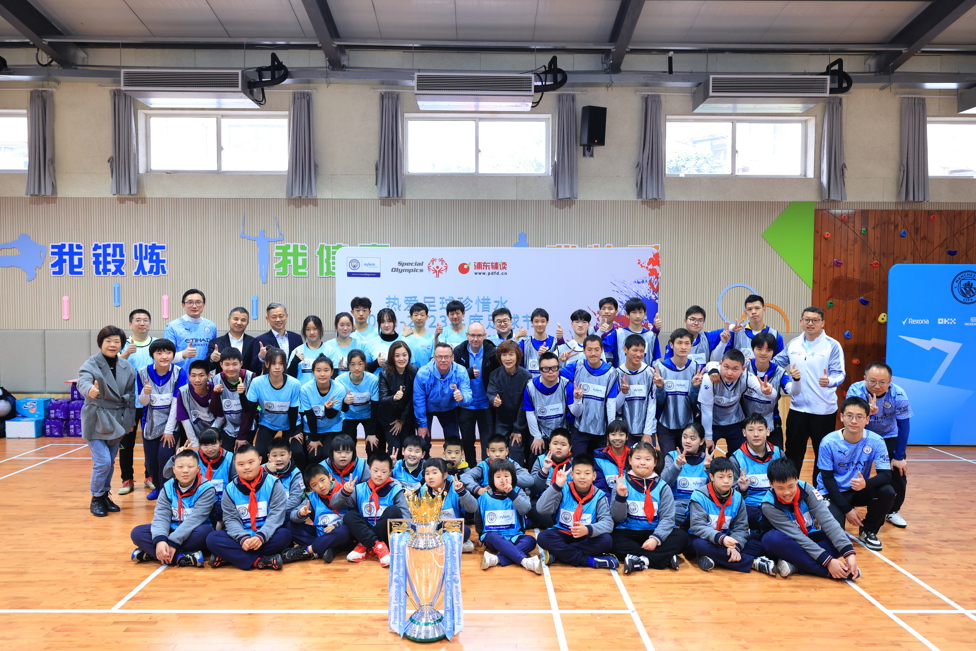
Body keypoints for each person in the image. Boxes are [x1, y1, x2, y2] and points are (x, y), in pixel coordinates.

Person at [772, 306, 845, 483]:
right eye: (807, 320)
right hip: (797, 409)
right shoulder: (793, 344)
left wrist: (830, 381)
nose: (810, 323)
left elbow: (840, 374)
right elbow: (776, 362)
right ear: (801, 321)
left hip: (823, 411)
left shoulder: (832, 345)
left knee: (823, 456)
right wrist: (755, 361)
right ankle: (790, 490)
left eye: (815, 320)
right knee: (793, 454)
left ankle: (820, 494)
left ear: (822, 323)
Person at [816, 396, 895, 551]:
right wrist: (847, 510)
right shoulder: (828, 442)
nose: (854, 421)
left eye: (859, 417)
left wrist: (867, 483)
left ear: (867, 420)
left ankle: (868, 530)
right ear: (841, 417)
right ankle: (821, 515)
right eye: (849, 416)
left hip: (858, 489)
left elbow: (886, 475)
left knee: (887, 491)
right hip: (832, 491)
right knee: (834, 540)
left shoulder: (876, 441)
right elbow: (827, 479)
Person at [761, 458, 860, 580]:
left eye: (791, 486)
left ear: (797, 479)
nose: (786, 492)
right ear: (771, 484)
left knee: (843, 538)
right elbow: (797, 536)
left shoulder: (808, 489)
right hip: (788, 543)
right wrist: (828, 562)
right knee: (772, 539)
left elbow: (827, 521)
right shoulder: (768, 505)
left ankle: (796, 566)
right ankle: (832, 572)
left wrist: (849, 554)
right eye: (780, 488)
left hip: (809, 536)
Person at [79, 326, 137, 517]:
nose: (112, 345)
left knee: (110, 461)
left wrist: (129, 422)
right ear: (101, 343)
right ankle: (96, 497)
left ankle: (104, 495)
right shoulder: (91, 363)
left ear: (122, 344)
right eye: (108, 341)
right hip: (96, 417)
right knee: (102, 461)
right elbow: (83, 380)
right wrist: (89, 390)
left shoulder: (127, 367)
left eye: (117, 341)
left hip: (117, 419)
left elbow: (130, 396)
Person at [846, 362, 912, 529]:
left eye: (883, 382)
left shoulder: (899, 394)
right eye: (872, 381)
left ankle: (893, 511)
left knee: (898, 471)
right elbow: (849, 417)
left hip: (888, 436)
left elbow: (904, 426)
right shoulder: (855, 390)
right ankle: (846, 502)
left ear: (890, 381)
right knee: (850, 467)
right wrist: (867, 411)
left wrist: (899, 456)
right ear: (864, 379)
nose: (877, 386)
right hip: (861, 434)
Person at [205, 444, 293, 570]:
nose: (246, 467)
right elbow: (231, 519)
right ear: (235, 464)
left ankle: (231, 556)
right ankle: (260, 561)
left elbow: (276, 515)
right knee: (212, 539)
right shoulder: (230, 489)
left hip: (266, 535)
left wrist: (261, 536)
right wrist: (243, 538)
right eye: (241, 464)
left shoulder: (274, 484)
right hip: (241, 537)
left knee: (285, 535)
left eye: (251, 462)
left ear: (260, 461)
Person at [688, 456, 776, 575]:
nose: (726, 481)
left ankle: (714, 558)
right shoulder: (699, 496)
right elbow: (698, 527)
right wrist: (722, 539)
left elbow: (741, 527)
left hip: (728, 539)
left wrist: (735, 547)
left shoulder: (737, 497)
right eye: (721, 477)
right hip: (705, 538)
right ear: (711, 477)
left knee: (758, 546)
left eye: (729, 476)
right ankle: (754, 563)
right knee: (699, 545)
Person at [610, 443, 688, 573]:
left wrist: (655, 539)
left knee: (682, 537)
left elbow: (668, 518)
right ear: (630, 460)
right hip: (629, 531)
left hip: (655, 531)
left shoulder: (663, 486)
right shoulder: (621, 483)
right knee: (611, 540)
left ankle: (641, 561)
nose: (642, 463)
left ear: (655, 462)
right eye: (638, 458)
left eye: (647, 459)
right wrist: (621, 497)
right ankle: (664, 557)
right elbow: (616, 517)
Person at [130, 449, 214, 567]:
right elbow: (161, 515)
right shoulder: (167, 487)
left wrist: (172, 542)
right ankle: (181, 557)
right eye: (180, 467)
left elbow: (196, 519)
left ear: (198, 469)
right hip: (171, 530)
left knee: (206, 533)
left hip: (192, 531)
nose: (185, 470)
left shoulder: (207, 488)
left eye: (190, 466)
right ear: (174, 470)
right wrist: (160, 540)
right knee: (137, 533)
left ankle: (154, 553)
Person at [536, 454, 617, 569]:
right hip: (563, 532)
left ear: (594, 476)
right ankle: (588, 561)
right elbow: (541, 509)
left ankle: (559, 553)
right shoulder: (563, 489)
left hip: (585, 536)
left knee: (606, 541)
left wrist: (588, 529)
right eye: (578, 473)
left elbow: (608, 523)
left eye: (587, 473)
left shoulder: (599, 495)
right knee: (543, 537)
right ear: (572, 475)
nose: (582, 477)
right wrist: (556, 485)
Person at [334, 452, 409, 568]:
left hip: (386, 536)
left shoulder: (396, 490)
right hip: (363, 532)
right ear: (369, 470)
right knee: (349, 516)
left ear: (390, 472)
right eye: (375, 470)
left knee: (394, 510)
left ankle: (366, 546)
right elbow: (335, 504)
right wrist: (345, 493)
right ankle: (377, 546)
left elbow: (405, 517)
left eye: (384, 472)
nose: (379, 475)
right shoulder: (359, 489)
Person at [137, 338, 188, 500]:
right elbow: (143, 403)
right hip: (150, 424)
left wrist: (169, 430)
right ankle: (157, 488)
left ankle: (167, 492)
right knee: (151, 462)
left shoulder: (179, 373)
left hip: (171, 426)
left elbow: (176, 403)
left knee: (165, 458)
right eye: (159, 353)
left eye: (168, 352)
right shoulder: (142, 372)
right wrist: (146, 392)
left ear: (173, 354)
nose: (164, 356)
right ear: (153, 355)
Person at [699, 349, 773, 453]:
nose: (729, 373)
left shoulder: (747, 377)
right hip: (712, 423)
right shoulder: (710, 378)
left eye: (735, 369)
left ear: (743, 369)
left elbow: (771, 395)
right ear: (720, 364)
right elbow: (706, 409)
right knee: (706, 457)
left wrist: (768, 391)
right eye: (726, 367)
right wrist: (708, 436)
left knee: (738, 459)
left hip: (735, 422)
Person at [478, 459, 541, 574]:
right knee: (492, 536)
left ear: (513, 478)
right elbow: (478, 516)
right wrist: (479, 535)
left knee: (531, 540)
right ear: (491, 479)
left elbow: (525, 509)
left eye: (506, 475)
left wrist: (512, 494)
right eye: (498, 477)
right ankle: (525, 562)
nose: (503, 480)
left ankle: (497, 559)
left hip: (514, 536)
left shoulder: (518, 491)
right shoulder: (485, 496)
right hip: (493, 537)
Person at [560, 335, 618, 455]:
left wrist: (611, 432)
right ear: (584, 350)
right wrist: (561, 362)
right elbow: (554, 375)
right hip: (579, 429)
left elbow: (611, 404)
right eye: (589, 350)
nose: (593, 353)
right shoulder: (576, 366)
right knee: (578, 464)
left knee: (599, 467)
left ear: (602, 350)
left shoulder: (612, 373)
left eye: (597, 349)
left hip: (601, 431)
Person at [118, 308, 155, 495]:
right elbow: (110, 371)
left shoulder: (157, 344)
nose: (142, 323)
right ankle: (127, 479)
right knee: (126, 443)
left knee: (151, 441)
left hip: (151, 402)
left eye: (146, 320)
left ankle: (151, 476)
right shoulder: (121, 345)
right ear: (130, 324)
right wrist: (125, 354)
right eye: (138, 320)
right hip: (128, 402)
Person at [284, 464, 352, 564]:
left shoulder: (344, 491)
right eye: (314, 485)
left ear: (329, 477)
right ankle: (325, 549)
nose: (320, 486)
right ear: (310, 488)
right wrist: (300, 513)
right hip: (319, 533)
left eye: (322, 480)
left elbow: (353, 516)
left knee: (344, 531)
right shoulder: (311, 497)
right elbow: (294, 516)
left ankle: (308, 551)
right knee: (289, 526)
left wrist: (336, 526)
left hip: (339, 532)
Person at [244, 347, 303, 463]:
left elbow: (293, 410)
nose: (277, 367)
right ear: (266, 364)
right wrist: (241, 395)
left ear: (285, 365)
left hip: (291, 424)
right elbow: (249, 408)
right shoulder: (257, 382)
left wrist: (292, 433)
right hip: (268, 423)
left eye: (281, 363)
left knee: (297, 452)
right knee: (261, 454)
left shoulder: (294, 383)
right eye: (273, 363)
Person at [742, 332, 800, 448]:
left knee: (777, 461)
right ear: (752, 349)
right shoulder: (743, 367)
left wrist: (796, 380)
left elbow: (793, 391)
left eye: (768, 350)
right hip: (744, 423)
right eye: (759, 349)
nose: (763, 353)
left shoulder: (779, 372)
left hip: (771, 424)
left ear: (773, 352)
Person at [653, 328, 704, 454]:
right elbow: (659, 402)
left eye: (687, 343)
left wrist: (695, 387)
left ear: (692, 346)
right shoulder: (660, 368)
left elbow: (695, 402)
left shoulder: (696, 368)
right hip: (665, 424)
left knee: (687, 462)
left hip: (688, 426)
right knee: (669, 461)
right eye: (679, 343)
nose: (683, 347)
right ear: (671, 345)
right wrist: (660, 388)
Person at [729, 414, 783, 530]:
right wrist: (741, 489)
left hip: (775, 505)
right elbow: (730, 494)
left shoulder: (778, 454)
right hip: (750, 507)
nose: (756, 434)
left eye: (760, 429)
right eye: (751, 430)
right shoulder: (736, 458)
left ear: (768, 431)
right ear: (744, 432)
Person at [454, 323, 497, 465]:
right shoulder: (458, 352)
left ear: (485, 336)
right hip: (466, 405)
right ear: (467, 335)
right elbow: (452, 375)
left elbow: (498, 376)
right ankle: (472, 470)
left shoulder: (493, 353)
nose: (475, 339)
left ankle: (485, 472)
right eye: (472, 335)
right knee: (467, 441)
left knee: (487, 442)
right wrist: (468, 373)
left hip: (486, 405)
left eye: (479, 335)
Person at [413, 342, 472, 445]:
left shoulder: (461, 371)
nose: (443, 360)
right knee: (423, 441)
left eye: (447, 357)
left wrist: (462, 398)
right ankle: (424, 460)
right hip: (427, 409)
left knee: (454, 442)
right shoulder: (423, 373)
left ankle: (452, 461)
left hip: (449, 408)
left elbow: (468, 395)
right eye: (440, 357)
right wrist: (422, 425)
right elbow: (419, 400)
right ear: (434, 358)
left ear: (452, 357)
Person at [523, 351, 576, 466]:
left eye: (554, 368)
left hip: (561, 432)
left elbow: (575, 412)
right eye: (546, 369)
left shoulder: (567, 385)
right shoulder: (530, 387)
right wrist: (537, 437)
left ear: (559, 368)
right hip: (540, 433)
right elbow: (530, 413)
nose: (551, 372)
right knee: (534, 462)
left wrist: (579, 401)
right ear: (540, 370)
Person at [486, 340, 531, 465]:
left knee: (516, 452)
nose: (508, 358)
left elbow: (525, 404)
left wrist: (518, 429)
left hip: (520, 422)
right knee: (497, 451)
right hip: (502, 422)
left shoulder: (526, 376)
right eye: (504, 355)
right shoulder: (494, 374)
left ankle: (517, 481)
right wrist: (493, 400)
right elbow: (491, 393)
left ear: (517, 356)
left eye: (511, 354)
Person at [420, 458, 478, 553]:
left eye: (434, 473)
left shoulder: (455, 487)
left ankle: (435, 545)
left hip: (453, 528)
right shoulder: (424, 489)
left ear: (445, 475)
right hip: (433, 527)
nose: (430, 477)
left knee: (466, 531)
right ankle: (455, 546)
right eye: (427, 473)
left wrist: (462, 492)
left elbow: (473, 508)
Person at [300, 355, 348, 466]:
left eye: (326, 370)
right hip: (312, 427)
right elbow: (310, 415)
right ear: (312, 372)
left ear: (332, 372)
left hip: (332, 427)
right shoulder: (305, 389)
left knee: (328, 456)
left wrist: (328, 409)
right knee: (313, 456)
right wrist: (314, 439)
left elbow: (332, 416)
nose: (322, 374)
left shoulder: (339, 389)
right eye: (318, 370)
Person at [660, 423, 710, 526]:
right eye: (685, 437)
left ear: (701, 441)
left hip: (701, 506)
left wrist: (709, 469)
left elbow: (717, 488)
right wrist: (676, 466)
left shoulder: (708, 460)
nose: (687, 441)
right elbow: (662, 484)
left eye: (692, 438)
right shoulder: (672, 456)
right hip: (676, 506)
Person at [169, 360, 223, 449]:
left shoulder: (216, 389)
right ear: (189, 377)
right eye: (193, 376)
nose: (197, 380)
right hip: (194, 434)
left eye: (201, 375)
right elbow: (184, 419)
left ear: (209, 376)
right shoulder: (182, 392)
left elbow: (221, 417)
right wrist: (194, 442)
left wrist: (209, 436)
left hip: (215, 433)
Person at [210, 347, 256, 451]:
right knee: (227, 456)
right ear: (221, 365)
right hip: (227, 426)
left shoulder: (251, 377)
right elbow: (215, 411)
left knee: (244, 455)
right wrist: (215, 395)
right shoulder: (215, 379)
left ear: (241, 363)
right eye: (227, 364)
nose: (231, 368)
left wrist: (242, 436)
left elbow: (251, 410)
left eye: (235, 364)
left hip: (248, 425)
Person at [336, 349, 381, 455]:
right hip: (348, 416)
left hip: (368, 415)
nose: (357, 368)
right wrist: (345, 402)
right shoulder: (339, 381)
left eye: (360, 364)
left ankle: (371, 470)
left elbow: (375, 406)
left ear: (365, 364)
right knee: (348, 447)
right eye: (353, 364)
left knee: (372, 445)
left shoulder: (373, 380)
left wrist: (371, 433)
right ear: (348, 365)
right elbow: (341, 408)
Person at [378, 341, 418, 458]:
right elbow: (383, 399)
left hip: (407, 417)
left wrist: (402, 420)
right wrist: (394, 398)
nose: (401, 358)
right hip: (389, 417)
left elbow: (413, 398)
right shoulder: (385, 373)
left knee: (407, 448)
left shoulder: (414, 371)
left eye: (404, 355)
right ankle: (391, 472)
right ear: (392, 357)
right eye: (397, 355)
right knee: (394, 448)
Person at [614, 334, 656, 443]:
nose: (639, 354)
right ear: (625, 349)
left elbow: (652, 405)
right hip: (623, 432)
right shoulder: (616, 373)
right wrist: (623, 393)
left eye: (642, 351)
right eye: (635, 350)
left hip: (645, 430)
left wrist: (647, 432)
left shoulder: (650, 373)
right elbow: (614, 406)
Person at [460, 433, 534, 494]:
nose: (497, 454)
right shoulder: (483, 466)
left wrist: (508, 479)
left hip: (510, 500)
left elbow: (529, 480)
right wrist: (478, 489)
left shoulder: (513, 464)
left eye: (501, 450)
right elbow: (464, 477)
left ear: (507, 451)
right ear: (487, 452)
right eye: (493, 451)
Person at [718, 294, 785, 360]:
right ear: (746, 312)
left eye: (757, 308)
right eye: (749, 309)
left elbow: (779, 363)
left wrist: (761, 364)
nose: (753, 312)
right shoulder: (735, 333)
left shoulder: (776, 336)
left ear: (764, 309)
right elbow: (724, 359)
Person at [164, 289, 218, 371]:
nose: (194, 306)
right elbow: (165, 357)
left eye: (198, 302)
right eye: (190, 302)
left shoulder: (211, 326)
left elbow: (213, 354)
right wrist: (183, 354)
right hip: (180, 377)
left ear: (204, 305)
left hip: (205, 378)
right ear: (183, 305)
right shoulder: (172, 326)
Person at [601, 297, 661, 368]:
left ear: (645, 314)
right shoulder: (617, 334)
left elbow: (656, 360)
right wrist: (600, 332)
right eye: (634, 312)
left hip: (645, 377)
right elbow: (601, 350)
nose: (638, 316)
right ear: (627, 314)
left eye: (640, 312)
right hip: (622, 376)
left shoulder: (652, 336)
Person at [251, 303, 304, 373]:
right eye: (274, 317)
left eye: (281, 316)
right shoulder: (260, 340)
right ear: (267, 319)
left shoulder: (297, 338)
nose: (278, 319)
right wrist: (260, 358)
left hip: (294, 380)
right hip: (271, 381)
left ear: (286, 316)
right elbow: (253, 369)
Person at [206, 307, 256, 374]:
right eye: (236, 319)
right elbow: (207, 367)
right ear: (229, 320)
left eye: (243, 320)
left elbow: (256, 368)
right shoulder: (216, 343)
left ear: (247, 323)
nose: (239, 323)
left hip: (247, 382)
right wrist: (211, 359)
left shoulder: (254, 342)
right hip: (222, 383)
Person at [265, 436, 306, 512]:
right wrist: (266, 471)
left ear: (290, 455)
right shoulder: (261, 470)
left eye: (282, 455)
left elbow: (295, 499)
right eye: (274, 455)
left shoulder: (296, 473)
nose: (279, 459)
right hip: (266, 512)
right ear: (268, 457)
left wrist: (276, 512)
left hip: (286, 511)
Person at [286, 315, 327, 385]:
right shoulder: (297, 350)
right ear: (304, 331)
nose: (311, 332)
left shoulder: (330, 350)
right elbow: (289, 377)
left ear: (320, 330)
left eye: (315, 329)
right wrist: (295, 362)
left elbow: (333, 376)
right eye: (308, 329)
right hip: (301, 393)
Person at [594, 419, 631, 493]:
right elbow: (600, 485)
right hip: (608, 500)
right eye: (613, 434)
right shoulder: (599, 458)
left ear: (627, 437)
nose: (617, 438)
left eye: (621, 434)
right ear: (608, 436)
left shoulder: (634, 456)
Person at [365, 308, 402, 376]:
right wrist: (376, 363)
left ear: (395, 322)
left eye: (389, 321)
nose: (386, 325)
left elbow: (410, 368)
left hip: (399, 385)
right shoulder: (371, 343)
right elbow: (365, 370)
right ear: (378, 323)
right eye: (382, 322)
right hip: (376, 385)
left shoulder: (405, 342)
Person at [520, 308, 556, 376]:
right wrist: (516, 338)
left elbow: (559, 364)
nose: (539, 324)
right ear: (531, 322)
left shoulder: (554, 342)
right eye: (536, 321)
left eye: (543, 321)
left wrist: (546, 355)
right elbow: (518, 365)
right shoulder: (524, 343)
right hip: (529, 384)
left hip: (549, 383)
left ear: (547, 322)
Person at [403, 302, 436, 368]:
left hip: (426, 375)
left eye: (422, 315)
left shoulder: (432, 338)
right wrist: (403, 335)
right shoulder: (404, 336)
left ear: (427, 317)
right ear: (411, 317)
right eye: (416, 315)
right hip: (407, 375)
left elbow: (434, 360)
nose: (419, 318)